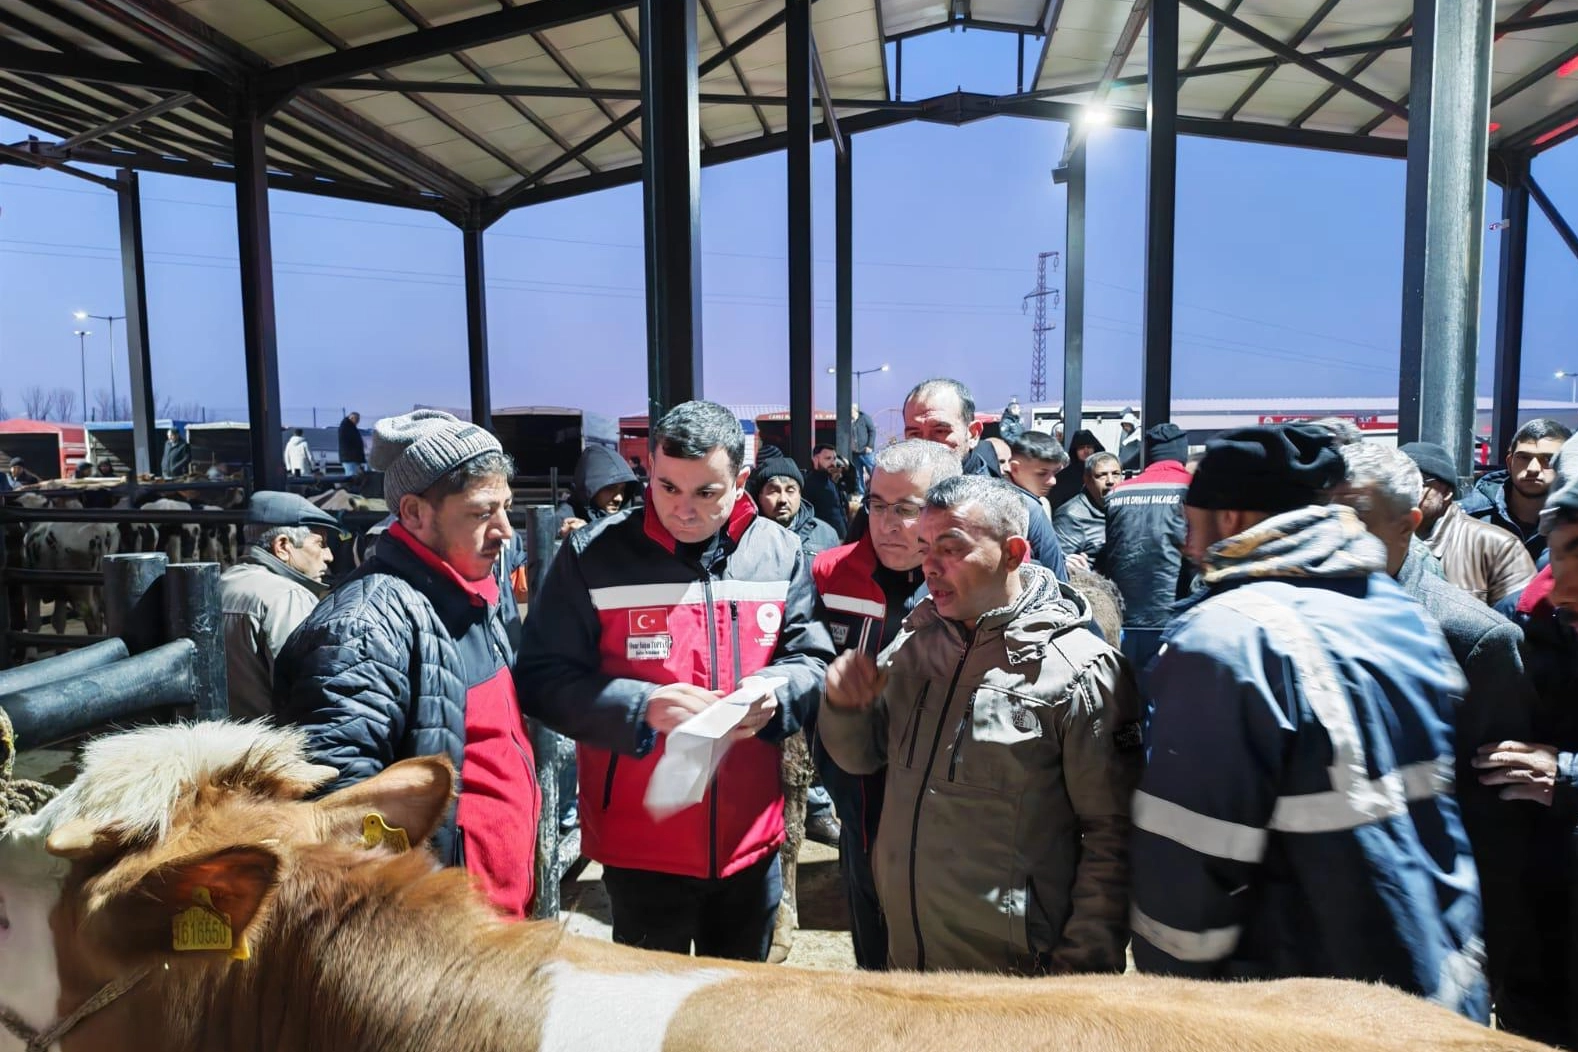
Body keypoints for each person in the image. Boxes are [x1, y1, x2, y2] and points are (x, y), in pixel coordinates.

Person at [1130, 424, 1487, 1021]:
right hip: (1433, 979)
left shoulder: (1226, 637)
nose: (1188, 546)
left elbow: (1191, 849)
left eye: (1189, 523)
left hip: (1305, 1004)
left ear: (1229, 517)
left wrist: (1174, 1003)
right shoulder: (1398, 611)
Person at [515, 400, 835, 961]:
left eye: (706, 492)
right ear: (650, 471)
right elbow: (541, 679)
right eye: (667, 488)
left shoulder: (779, 551)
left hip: (749, 838)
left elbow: (810, 659)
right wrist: (640, 707)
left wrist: (776, 692)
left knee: (737, 1001)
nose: (683, 510)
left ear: (740, 482)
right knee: (649, 1002)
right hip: (640, 843)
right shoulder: (594, 555)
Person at [820, 475, 1140, 975]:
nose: (930, 566)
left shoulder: (1079, 670)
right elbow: (861, 758)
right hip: (909, 960)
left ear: (1013, 553)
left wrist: (1081, 971)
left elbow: (1114, 837)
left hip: (1016, 981)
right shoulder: (913, 647)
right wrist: (846, 707)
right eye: (925, 548)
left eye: (951, 548)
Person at [274, 410, 539, 919]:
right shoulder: (363, 627)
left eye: (506, 507)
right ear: (414, 513)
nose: (505, 531)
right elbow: (341, 813)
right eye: (482, 512)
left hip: (493, 920)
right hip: (438, 930)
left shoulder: (474, 595)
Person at [1332, 442, 1540, 1027]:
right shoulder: (1304, 611)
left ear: (1408, 523)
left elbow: (1497, 812)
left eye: (1357, 517)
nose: (1338, 534)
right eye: (1327, 514)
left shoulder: (1474, 637)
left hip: (1427, 918)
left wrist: (1482, 948)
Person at [811, 439, 961, 969]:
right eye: (877, 505)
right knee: (872, 935)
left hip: (952, 801)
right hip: (859, 795)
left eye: (907, 508)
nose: (888, 524)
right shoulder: (828, 573)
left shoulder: (975, 579)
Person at [1471, 433, 1578, 1045]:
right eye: (1558, 552)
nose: (1561, 586)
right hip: (1539, 932)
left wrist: (1568, 774)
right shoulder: (1519, 620)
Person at [902, 377, 1066, 580]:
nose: (927, 444)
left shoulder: (1021, 509)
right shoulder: (886, 503)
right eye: (914, 434)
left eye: (941, 431)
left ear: (973, 434)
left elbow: (1059, 593)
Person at [221, 492, 341, 720]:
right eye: (320, 543)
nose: (329, 556)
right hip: (268, 739)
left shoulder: (220, 583)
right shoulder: (289, 597)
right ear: (283, 546)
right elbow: (306, 691)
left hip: (213, 736)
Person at [1098, 423, 1191, 676]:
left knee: (1124, 690)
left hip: (1123, 614)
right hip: (1172, 616)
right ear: (1182, 453)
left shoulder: (1117, 493)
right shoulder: (1193, 490)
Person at [1402, 441, 1535, 607]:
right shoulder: (1378, 536)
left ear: (1446, 492)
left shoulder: (1498, 545)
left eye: (1418, 482)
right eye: (1395, 482)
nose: (1403, 490)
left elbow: (1519, 615)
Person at [1461, 418, 1572, 564]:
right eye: (1524, 457)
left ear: (1566, 464)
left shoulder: (1572, 524)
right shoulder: (1467, 517)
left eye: (1548, 459)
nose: (1533, 468)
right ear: (1509, 462)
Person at [748, 455, 838, 558]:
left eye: (790, 491)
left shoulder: (826, 536)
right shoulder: (747, 536)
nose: (783, 499)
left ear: (800, 494)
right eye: (773, 491)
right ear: (760, 497)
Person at [556, 444, 638, 538]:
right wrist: (572, 538)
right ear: (591, 486)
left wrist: (587, 533)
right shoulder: (562, 521)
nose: (619, 498)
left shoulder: (624, 519)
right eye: (610, 488)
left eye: (622, 489)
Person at [1054, 451, 1122, 560]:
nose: (1110, 481)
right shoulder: (1071, 516)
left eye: (1115, 474)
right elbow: (1058, 561)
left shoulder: (1126, 507)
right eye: (1102, 475)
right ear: (1087, 479)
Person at [1005, 431, 1066, 521]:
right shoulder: (999, 506)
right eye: (1042, 473)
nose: (1053, 481)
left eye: (1055, 472)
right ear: (1015, 469)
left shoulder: (1042, 502)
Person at [1047, 429, 1105, 512]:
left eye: (1089, 447)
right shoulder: (1063, 477)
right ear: (1075, 451)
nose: (1086, 451)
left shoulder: (1104, 473)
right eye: (1081, 448)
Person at [804, 443, 849, 540]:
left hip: (840, 538)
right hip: (824, 540)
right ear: (816, 459)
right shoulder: (809, 484)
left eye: (834, 458)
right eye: (828, 458)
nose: (833, 463)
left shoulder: (831, 481)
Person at [851, 402, 877, 496]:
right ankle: (861, 493)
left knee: (873, 471)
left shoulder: (865, 418)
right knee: (858, 474)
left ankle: (876, 491)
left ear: (855, 410)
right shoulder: (849, 421)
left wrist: (870, 446)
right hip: (855, 453)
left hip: (866, 452)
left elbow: (872, 431)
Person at [338, 411, 366, 476]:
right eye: (357, 419)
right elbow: (349, 442)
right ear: (352, 418)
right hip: (349, 458)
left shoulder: (350, 427)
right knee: (351, 476)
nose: (358, 421)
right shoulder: (346, 427)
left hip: (352, 457)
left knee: (353, 476)